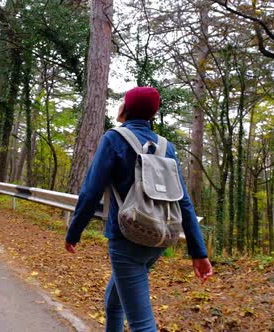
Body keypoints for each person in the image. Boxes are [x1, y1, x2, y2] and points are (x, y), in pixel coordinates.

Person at [64, 87, 213, 332]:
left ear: (126, 108)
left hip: (126, 238)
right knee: (114, 303)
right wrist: (199, 252)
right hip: (159, 237)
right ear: (153, 114)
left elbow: (91, 191)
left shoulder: (113, 138)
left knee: (142, 325)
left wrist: (73, 232)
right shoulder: (167, 147)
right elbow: (183, 201)